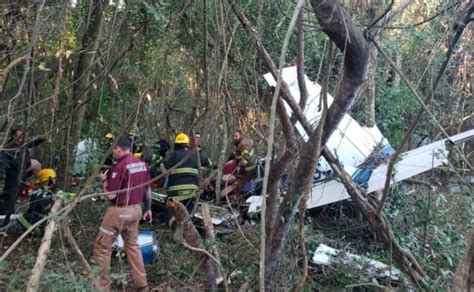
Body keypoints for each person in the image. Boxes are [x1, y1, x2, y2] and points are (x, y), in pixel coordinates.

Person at [93, 136, 152, 292]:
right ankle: (142, 284)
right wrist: (148, 209)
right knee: (133, 247)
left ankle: (102, 287)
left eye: (113, 149)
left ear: (119, 149)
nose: (112, 152)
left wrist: (103, 181)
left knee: (102, 247)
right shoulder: (142, 165)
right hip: (136, 210)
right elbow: (148, 190)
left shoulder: (118, 167)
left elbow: (111, 195)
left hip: (119, 212)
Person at [160, 133, 211, 231]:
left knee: (167, 211)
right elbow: (210, 163)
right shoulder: (195, 154)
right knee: (188, 214)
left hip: (175, 193)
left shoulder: (174, 155)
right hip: (192, 192)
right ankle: (188, 231)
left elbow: (163, 168)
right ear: (187, 144)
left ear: (176, 145)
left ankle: (175, 227)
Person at [0, 129, 47, 221]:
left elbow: (32, 143)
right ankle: (3, 212)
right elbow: (3, 160)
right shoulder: (10, 147)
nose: (22, 137)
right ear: (14, 136)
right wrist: (2, 173)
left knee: (18, 191)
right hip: (13, 173)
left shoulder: (22, 145)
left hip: (22, 172)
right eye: (20, 135)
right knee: (9, 193)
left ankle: (10, 211)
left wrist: (41, 139)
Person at [221, 130, 256, 198]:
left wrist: (242, 166)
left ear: (241, 135)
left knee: (241, 181)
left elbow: (246, 155)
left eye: (236, 136)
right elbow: (239, 156)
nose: (234, 138)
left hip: (248, 167)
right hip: (246, 166)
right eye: (234, 136)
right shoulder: (240, 144)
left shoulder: (243, 143)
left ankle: (239, 196)